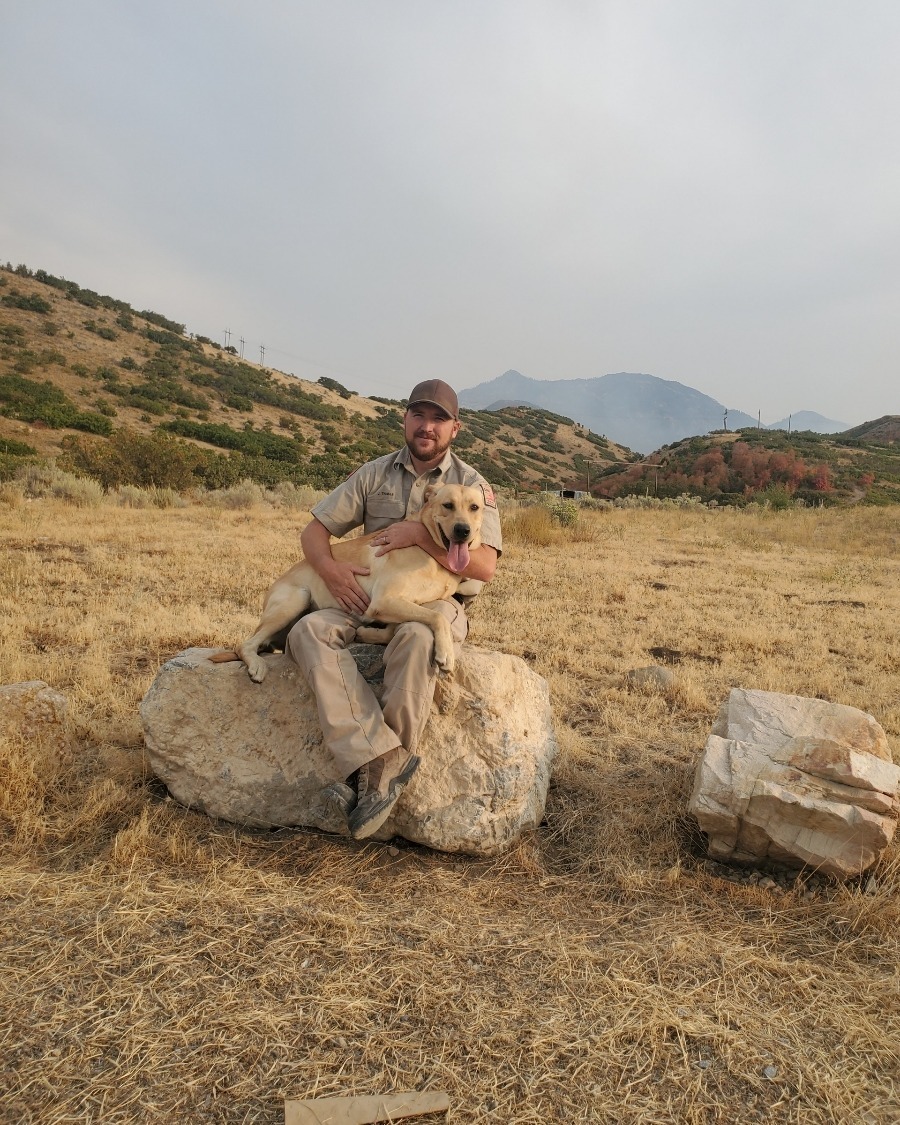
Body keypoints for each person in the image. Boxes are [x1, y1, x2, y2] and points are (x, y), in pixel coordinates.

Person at [285, 379, 502, 841]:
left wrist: (419, 535)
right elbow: (314, 532)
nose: (427, 427)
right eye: (419, 416)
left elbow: (484, 566)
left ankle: (377, 776)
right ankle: (378, 761)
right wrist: (329, 570)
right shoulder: (373, 474)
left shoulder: (472, 487)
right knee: (304, 632)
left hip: (438, 602)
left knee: (420, 637)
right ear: (405, 420)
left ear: (454, 428)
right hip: (359, 600)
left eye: (438, 419)